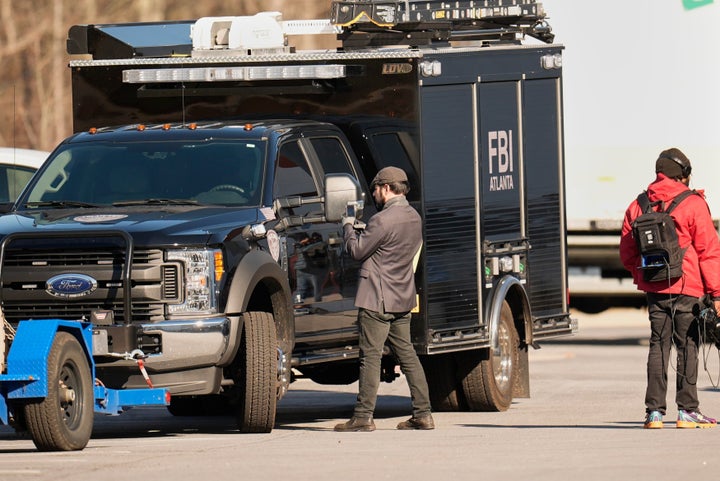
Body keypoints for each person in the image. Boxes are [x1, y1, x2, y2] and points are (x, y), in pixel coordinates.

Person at [620, 148, 720, 429]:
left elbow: (627, 252)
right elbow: (709, 251)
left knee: (657, 345)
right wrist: (717, 293)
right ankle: (687, 410)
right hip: (687, 285)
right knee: (687, 345)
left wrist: (645, 275)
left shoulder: (638, 204)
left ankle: (653, 413)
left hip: (655, 286)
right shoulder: (693, 204)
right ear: (683, 175)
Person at [334, 166, 434, 432]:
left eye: (376, 189)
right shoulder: (413, 216)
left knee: (370, 357)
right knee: (408, 356)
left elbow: (356, 250)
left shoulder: (382, 220)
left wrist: (347, 227)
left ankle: (363, 417)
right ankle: (423, 413)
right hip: (401, 296)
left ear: (386, 188)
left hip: (376, 299)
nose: (374, 194)